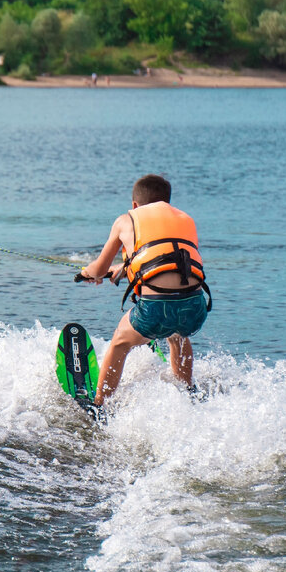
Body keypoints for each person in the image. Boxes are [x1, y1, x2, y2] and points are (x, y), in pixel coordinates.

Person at [75, 174, 211, 407]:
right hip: (196, 309)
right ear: (167, 201)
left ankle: (99, 406)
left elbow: (99, 269)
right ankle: (187, 393)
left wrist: (88, 274)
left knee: (120, 342)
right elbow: (168, 263)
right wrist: (124, 268)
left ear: (135, 205)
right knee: (177, 333)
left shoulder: (125, 220)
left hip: (155, 309)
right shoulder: (185, 219)